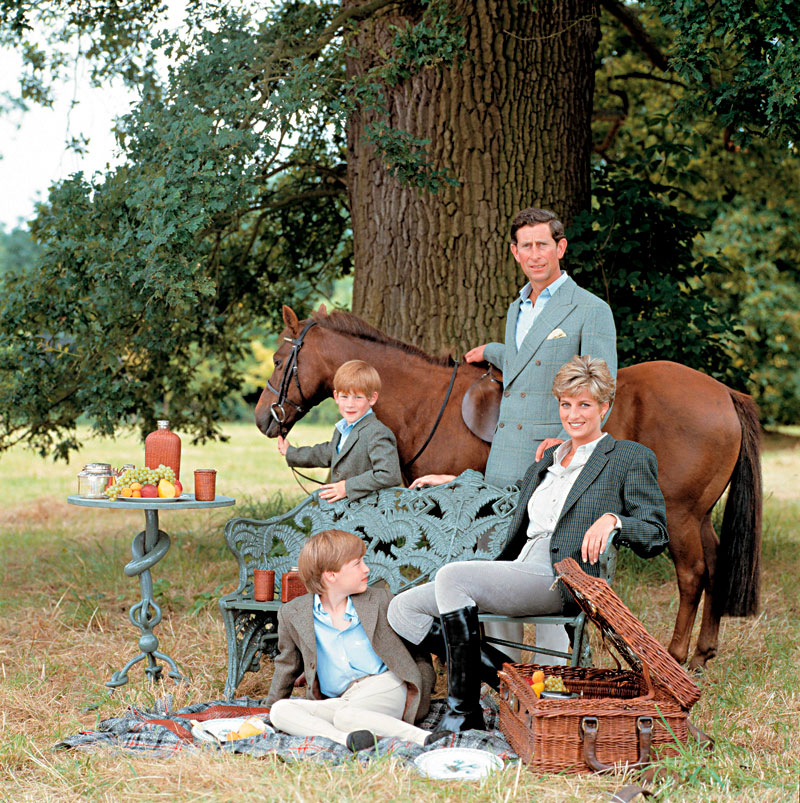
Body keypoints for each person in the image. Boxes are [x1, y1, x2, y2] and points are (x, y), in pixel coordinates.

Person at [388, 356, 668, 732]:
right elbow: (512, 499)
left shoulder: (627, 458)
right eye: (566, 404)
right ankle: (512, 681)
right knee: (402, 610)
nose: (574, 414)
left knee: (453, 577)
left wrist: (614, 519)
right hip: (521, 566)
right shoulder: (546, 461)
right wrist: (451, 480)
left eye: (585, 404)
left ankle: (463, 710)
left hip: (561, 576)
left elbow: (655, 533)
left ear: (605, 406)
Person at [417, 207, 618, 660]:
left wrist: (570, 444)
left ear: (560, 248)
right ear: (514, 252)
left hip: (555, 461)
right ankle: (505, 676)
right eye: (525, 246)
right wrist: (493, 350)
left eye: (542, 244)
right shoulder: (516, 307)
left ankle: (555, 681)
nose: (534, 253)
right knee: (500, 561)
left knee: (548, 571)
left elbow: (601, 389)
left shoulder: (591, 309)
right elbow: (530, 362)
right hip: (505, 458)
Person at [265, 530, 449, 751]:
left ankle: (423, 738)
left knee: (345, 717)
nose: (366, 569)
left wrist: (421, 693)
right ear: (331, 575)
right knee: (280, 711)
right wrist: (266, 710)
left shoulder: (381, 601)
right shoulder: (293, 613)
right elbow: (287, 665)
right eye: (357, 564)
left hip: (387, 685)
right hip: (343, 700)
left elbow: (418, 654)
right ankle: (345, 739)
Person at [278, 359, 402, 502]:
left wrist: (347, 487)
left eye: (358, 397)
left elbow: (389, 474)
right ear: (336, 397)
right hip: (343, 513)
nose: (350, 404)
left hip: (368, 516)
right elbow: (326, 453)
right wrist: (291, 452)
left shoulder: (377, 432)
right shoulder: (342, 429)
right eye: (344, 396)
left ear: (372, 398)